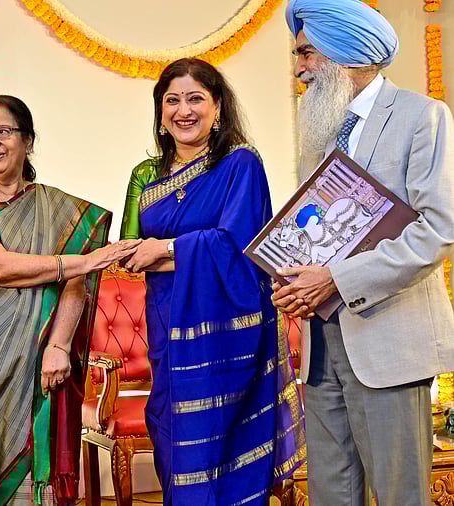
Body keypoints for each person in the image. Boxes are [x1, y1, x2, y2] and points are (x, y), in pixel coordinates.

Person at [274, 2, 454, 505]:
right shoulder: (320, 124)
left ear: (344, 52)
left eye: (306, 53)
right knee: (331, 494)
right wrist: (291, 277)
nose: (298, 68)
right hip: (322, 344)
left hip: (389, 341)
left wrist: (336, 279)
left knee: (400, 495)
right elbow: (319, 229)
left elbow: (438, 230)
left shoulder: (422, 116)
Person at [119, 58, 304, 505]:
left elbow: (240, 246)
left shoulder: (240, 164)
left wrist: (165, 250)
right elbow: (131, 251)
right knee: (174, 438)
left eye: (195, 99)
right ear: (161, 113)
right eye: (172, 101)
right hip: (168, 326)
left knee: (225, 444)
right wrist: (156, 254)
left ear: (217, 106)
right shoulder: (146, 176)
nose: (184, 111)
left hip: (226, 333)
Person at [0, 95, 140, 506]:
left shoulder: (58, 209)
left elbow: (75, 283)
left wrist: (59, 345)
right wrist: (81, 261)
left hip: (43, 359)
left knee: (40, 478)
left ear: (28, 140)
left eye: (2, 131)